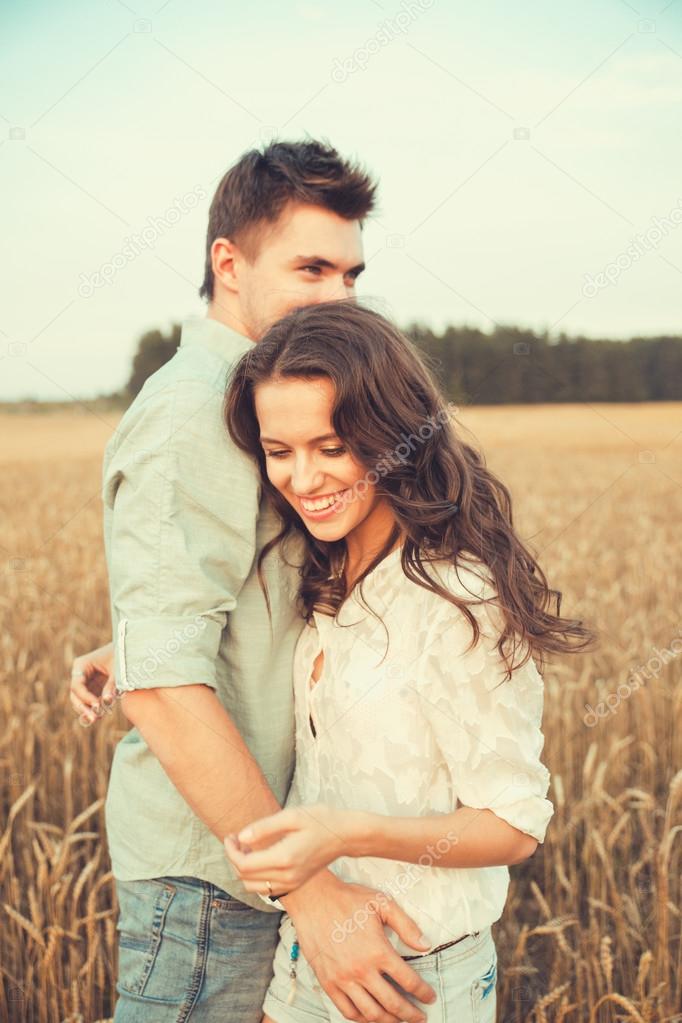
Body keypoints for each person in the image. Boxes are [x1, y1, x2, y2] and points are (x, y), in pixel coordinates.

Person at [69, 140, 439, 1023]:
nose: (339, 296)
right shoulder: (191, 416)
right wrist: (308, 891)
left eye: (351, 274)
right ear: (227, 265)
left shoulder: (269, 392)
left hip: (264, 851)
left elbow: (205, 616)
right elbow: (164, 684)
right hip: (217, 872)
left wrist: (136, 640)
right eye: (311, 267)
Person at [222, 298, 595, 1022]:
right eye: (279, 450)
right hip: (306, 953)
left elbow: (513, 824)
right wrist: (132, 648)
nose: (302, 479)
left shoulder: (457, 599)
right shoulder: (321, 569)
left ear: (391, 436)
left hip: (413, 977)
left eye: (332, 447)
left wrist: (344, 831)